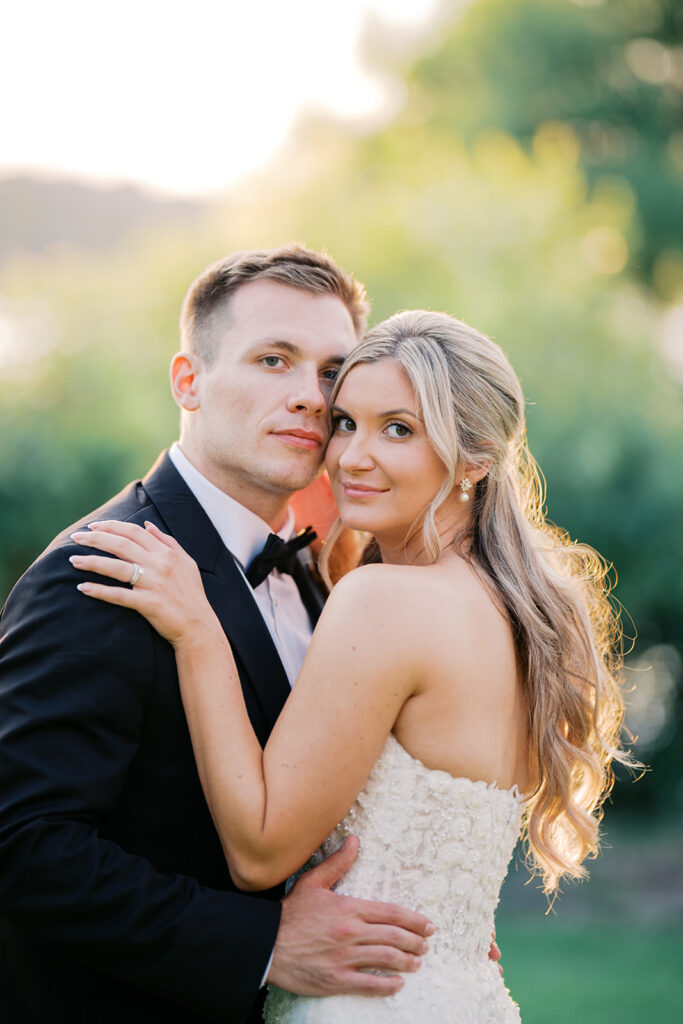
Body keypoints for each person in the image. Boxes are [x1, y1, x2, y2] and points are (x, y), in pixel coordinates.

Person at [71, 309, 632, 1021]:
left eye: (398, 428)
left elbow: (260, 851)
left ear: (476, 455)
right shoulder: (514, 605)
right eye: (345, 423)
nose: (351, 458)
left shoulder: (384, 600)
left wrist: (199, 634)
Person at [0, 246, 437, 1024]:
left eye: (331, 372)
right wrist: (262, 943)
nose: (309, 396)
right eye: (273, 360)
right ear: (188, 381)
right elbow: (25, 847)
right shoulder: (102, 568)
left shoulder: (317, 576)